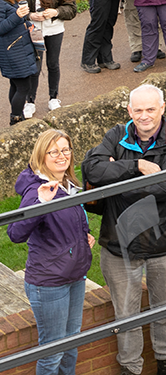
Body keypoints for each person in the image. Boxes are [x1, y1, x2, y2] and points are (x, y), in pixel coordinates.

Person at [82, 84, 166, 375]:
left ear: (162, 108)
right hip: (119, 244)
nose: (144, 116)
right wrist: (137, 166)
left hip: (163, 244)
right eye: (138, 110)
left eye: (150, 109)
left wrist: (117, 181)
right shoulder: (116, 135)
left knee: (164, 311)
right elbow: (92, 170)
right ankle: (131, 369)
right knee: (125, 317)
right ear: (129, 111)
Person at [7, 130, 94, 375]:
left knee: (70, 346)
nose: (61, 156)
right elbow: (15, 234)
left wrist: (83, 237)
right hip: (48, 283)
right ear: (41, 156)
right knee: (53, 352)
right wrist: (41, 204)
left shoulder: (68, 184)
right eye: (53, 151)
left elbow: (70, 222)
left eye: (65, 149)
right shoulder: (38, 191)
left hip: (74, 277)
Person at [19, 0, 76, 117]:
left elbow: (72, 8)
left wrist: (56, 12)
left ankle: (53, 98)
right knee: (34, 66)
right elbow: (18, 9)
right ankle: (30, 101)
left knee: (53, 64)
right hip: (34, 30)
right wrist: (30, 15)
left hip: (54, 30)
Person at [0, 0, 38, 126]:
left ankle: (18, 116)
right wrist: (17, 16)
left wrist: (26, 22)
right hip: (11, 50)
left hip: (18, 47)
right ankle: (16, 119)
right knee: (23, 86)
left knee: (16, 84)